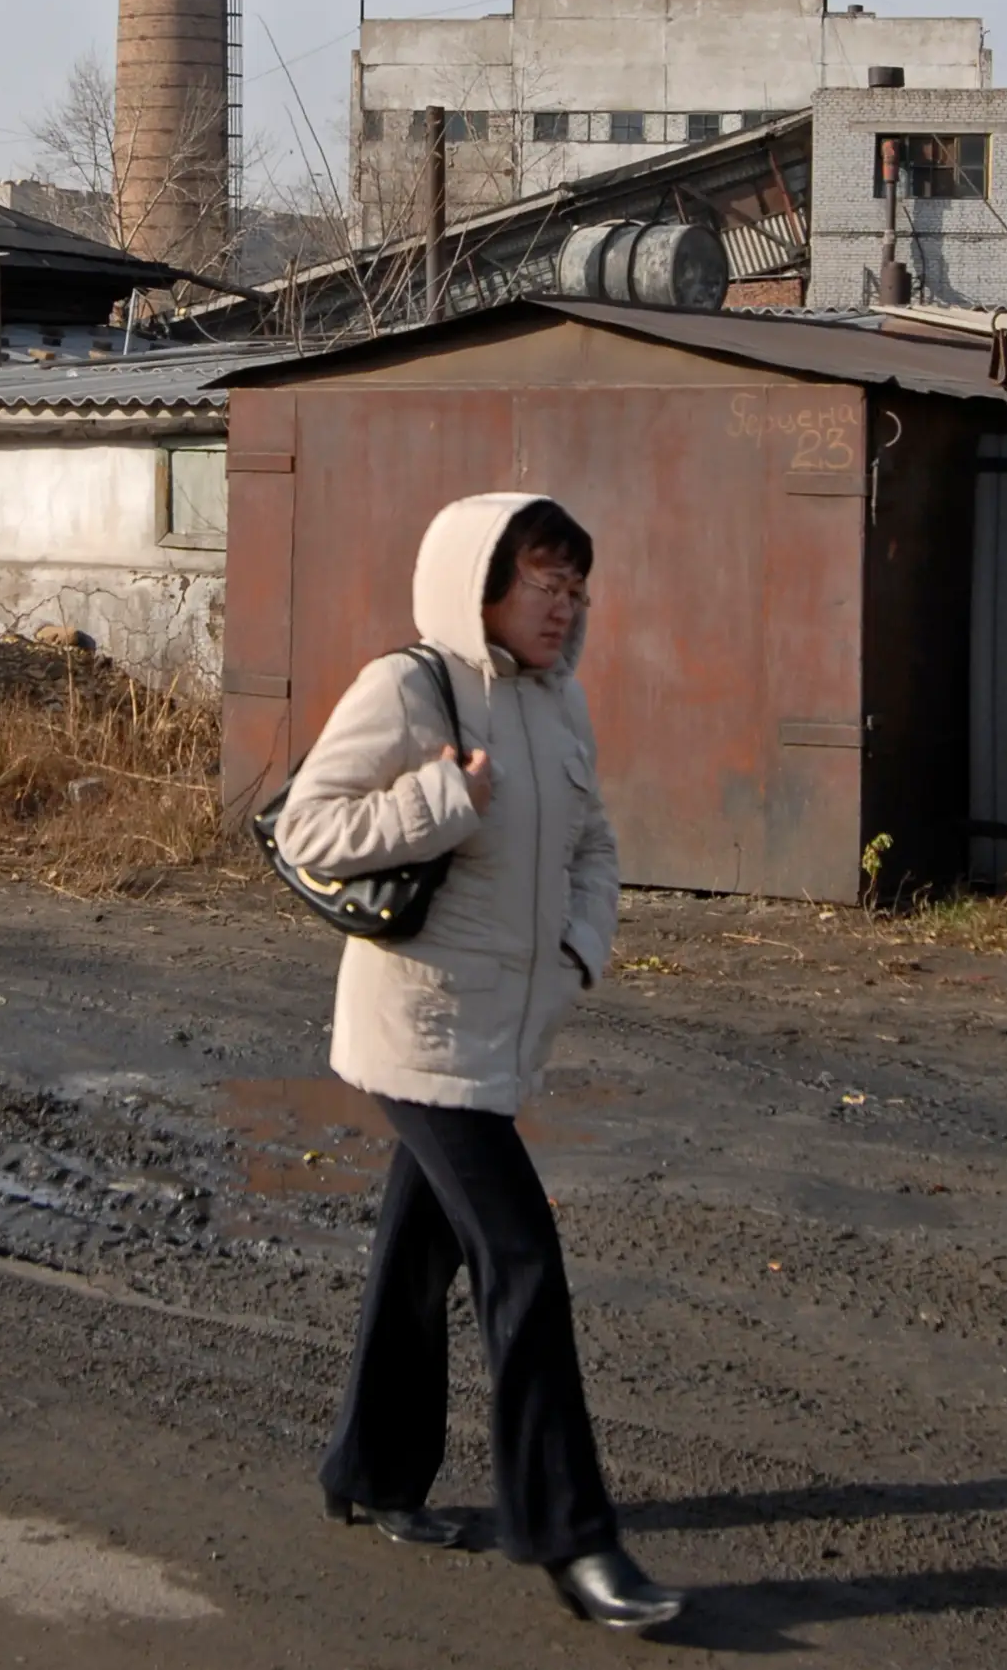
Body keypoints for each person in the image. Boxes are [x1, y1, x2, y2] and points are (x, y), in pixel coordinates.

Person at [272, 492, 683, 1634]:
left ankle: (372, 1474)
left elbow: (595, 840)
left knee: (420, 1255)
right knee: (522, 1258)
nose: (566, 607)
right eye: (544, 584)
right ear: (480, 583)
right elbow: (307, 828)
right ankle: (573, 1536)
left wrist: (578, 951)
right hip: (419, 1034)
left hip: (506, 1029)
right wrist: (443, 795)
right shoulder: (411, 687)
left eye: (576, 588)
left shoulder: (560, 703)